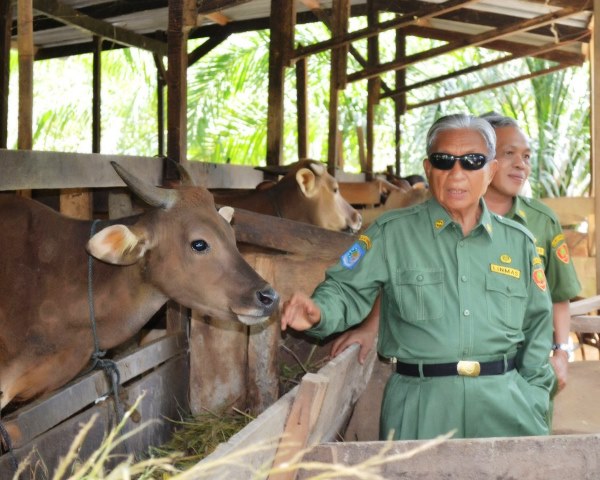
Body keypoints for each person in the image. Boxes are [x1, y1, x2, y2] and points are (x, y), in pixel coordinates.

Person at [281, 113, 555, 440]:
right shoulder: (392, 233)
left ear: (490, 170)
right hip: (420, 407)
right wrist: (320, 312)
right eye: (444, 161)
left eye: (472, 161)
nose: (456, 174)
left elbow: (538, 327)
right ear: (428, 169)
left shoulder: (518, 242)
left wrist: (535, 397)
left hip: (507, 406)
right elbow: (344, 289)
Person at [333, 114, 581, 396]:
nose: (520, 164)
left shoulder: (539, 223)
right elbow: (404, 284)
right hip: (440, 383)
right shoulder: (428, 222)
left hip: (517, 373)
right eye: (509, 153)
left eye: (526, 156)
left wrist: (561, 352)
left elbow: (557, 295)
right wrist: (370, 327)